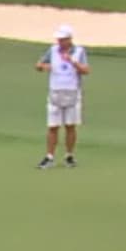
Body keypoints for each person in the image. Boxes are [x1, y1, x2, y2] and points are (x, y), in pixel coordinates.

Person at [35, 25, 89, 168]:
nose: (59, 41)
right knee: (53, 126)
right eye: (58, 39)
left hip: (72, 93)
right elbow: (38, 64)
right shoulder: (52, 50)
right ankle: (49, 157)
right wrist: (43, 67)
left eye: (63, 39)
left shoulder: (79, 51)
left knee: (70, 126)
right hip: (55, 92)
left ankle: (69, 156)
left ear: (69, 39)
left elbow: (86, 70)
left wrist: (72, 61)